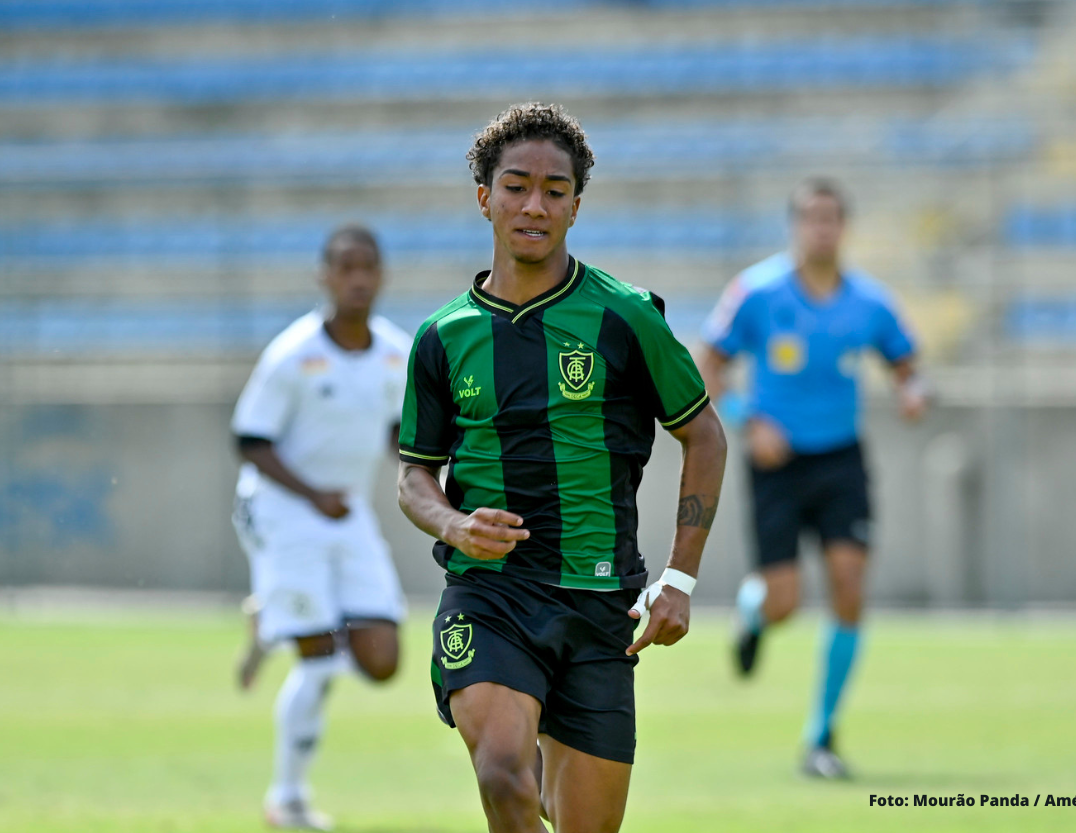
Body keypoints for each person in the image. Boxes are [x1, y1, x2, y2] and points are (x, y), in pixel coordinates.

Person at [396, 103, 727, 833]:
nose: (534, 205)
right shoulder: (442, 337)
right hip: (492, 595)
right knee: (505, 773)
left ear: (577, 204)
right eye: (516, 186)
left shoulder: (626, 317)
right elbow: (413, 476)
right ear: (485, 196)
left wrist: (679, 579)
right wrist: (455, 522)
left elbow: (703, 434)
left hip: (599, 601)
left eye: (554, 190)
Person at [698, 178, 928, 779]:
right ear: (794, 226)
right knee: (783, 603)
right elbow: (708, 365)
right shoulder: (757, 292)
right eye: (810, 218)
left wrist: (912, 390)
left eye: (830, 219)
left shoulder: (870, 303)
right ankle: (751, 615)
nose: (820, 229)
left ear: (843, 227)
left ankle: (820, 737)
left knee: (850, 587)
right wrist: (752, 422)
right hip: (776, 463)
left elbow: (906, 361)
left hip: (841, 460)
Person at [230, 224, 411, 830]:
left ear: (382, 276)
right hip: (283, 511)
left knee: (382, 660)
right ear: (325, 277)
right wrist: (311, 495)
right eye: (346, 268)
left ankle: (273, 618)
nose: (358, 279)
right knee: (320, 659)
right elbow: (250, 440)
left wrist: (427, 473)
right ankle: (287, 799)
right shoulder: (293, 354)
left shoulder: (395, 351)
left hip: (346, 511)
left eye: (368, 267)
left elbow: (397, 431)